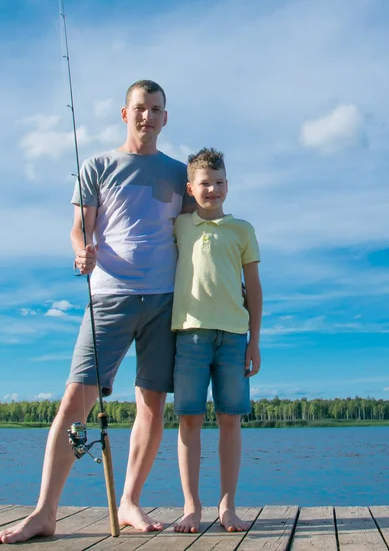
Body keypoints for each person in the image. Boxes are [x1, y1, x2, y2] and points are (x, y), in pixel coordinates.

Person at [0, 80, 194, 544]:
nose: (148, 116)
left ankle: (129, 502)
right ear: (125, 115)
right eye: (140, 108)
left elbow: (194, 234)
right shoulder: (98, 165)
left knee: (151, 405)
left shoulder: (178, 173)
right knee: (75, 404)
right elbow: (78, 231)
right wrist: (82, 251)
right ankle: (45, 512)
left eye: (156, 109)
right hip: (108, 297)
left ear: (166, 117)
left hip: (166, 301)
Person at [171, 148, 262, 534]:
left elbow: (254, 289)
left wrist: (254, 342)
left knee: (230, 420)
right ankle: (192, 507)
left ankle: (228, 505)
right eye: (205, 183)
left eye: (220, 182)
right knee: (190, 419)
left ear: (228, 185)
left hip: (233, 337)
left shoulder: (242, 229)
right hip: (189, 334)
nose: (213, 189)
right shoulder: (179, 225)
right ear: (190, 188)